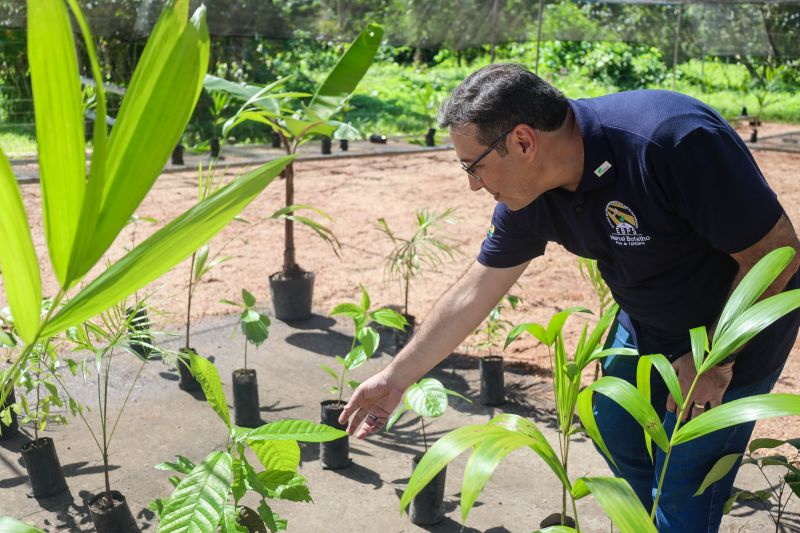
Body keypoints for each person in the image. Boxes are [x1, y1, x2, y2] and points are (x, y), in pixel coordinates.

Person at [338, 63, 800, 532]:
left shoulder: (669, 141)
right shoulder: (530, 194)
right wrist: (396, 378)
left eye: (473, 165)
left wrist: (715, 362)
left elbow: (778, 254)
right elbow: (476, 290)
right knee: (612, 424)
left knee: (684, 486)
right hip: (647, 316)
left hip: (734, 329)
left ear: (523, 142)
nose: (473, 184)